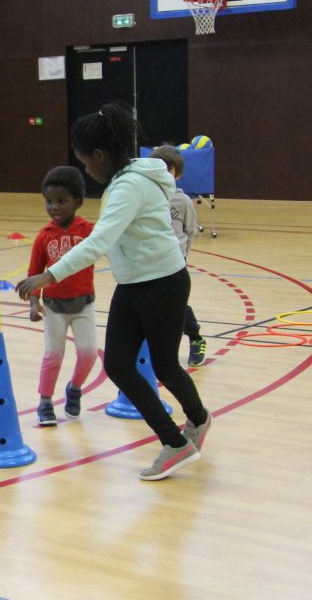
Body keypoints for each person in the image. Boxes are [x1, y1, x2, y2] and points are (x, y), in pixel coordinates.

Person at [15, 103, 212, 481]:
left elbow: (98, 242)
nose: (86, 170)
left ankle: (188, 431)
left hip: (162, 283)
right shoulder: (131, 177)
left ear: (100, 155)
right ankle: (184, 434)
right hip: (133, 284)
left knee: (165, 365)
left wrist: (47, 276)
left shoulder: (129, 187)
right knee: (119, 365)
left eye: (86, 162)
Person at [26, 166, 98, 427]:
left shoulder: (89, 231)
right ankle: (45, 400)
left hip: (84, 304)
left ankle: (75, 388)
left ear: (77, 202)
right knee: (53, 355)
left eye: (61, 201)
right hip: (54, 307)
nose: (54, 207)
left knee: (89, 353)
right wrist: (34, 302)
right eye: (49, 201)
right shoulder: (44, 237)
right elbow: (34, 273)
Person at [149, 145, 206, 366]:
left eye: (168, 169)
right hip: (151, 262)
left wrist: (183, 255)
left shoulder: (183, 201)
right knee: (154, 307)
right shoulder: (147, 198)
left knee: (176, 306)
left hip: (175, 263)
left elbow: (190, 231)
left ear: (177, 173)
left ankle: (195, 337)